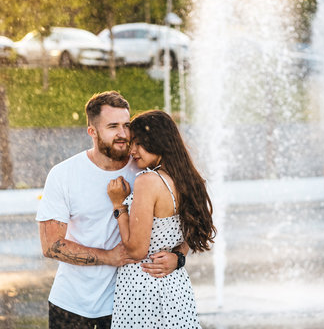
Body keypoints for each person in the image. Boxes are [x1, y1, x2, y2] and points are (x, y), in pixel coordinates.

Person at [36, 92, 179, 328]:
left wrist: (179, 257)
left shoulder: (146, 170)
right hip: (72, 304)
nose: (123, 134)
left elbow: (183, 221)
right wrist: (108, 257)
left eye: (126, 125)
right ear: (92, 131)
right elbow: (51, 245)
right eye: (112, 126)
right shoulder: (64, 174)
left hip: (129, 303)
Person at [107, 110, 216, 328]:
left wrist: (119, 205)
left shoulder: (148, 181)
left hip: (142, 288)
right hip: (176, 287)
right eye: (131, 144)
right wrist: (179, 257)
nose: (133, 151)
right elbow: (193, 233)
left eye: (139, 143)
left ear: (158, 141)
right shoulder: (188, 180)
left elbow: (137, 250)